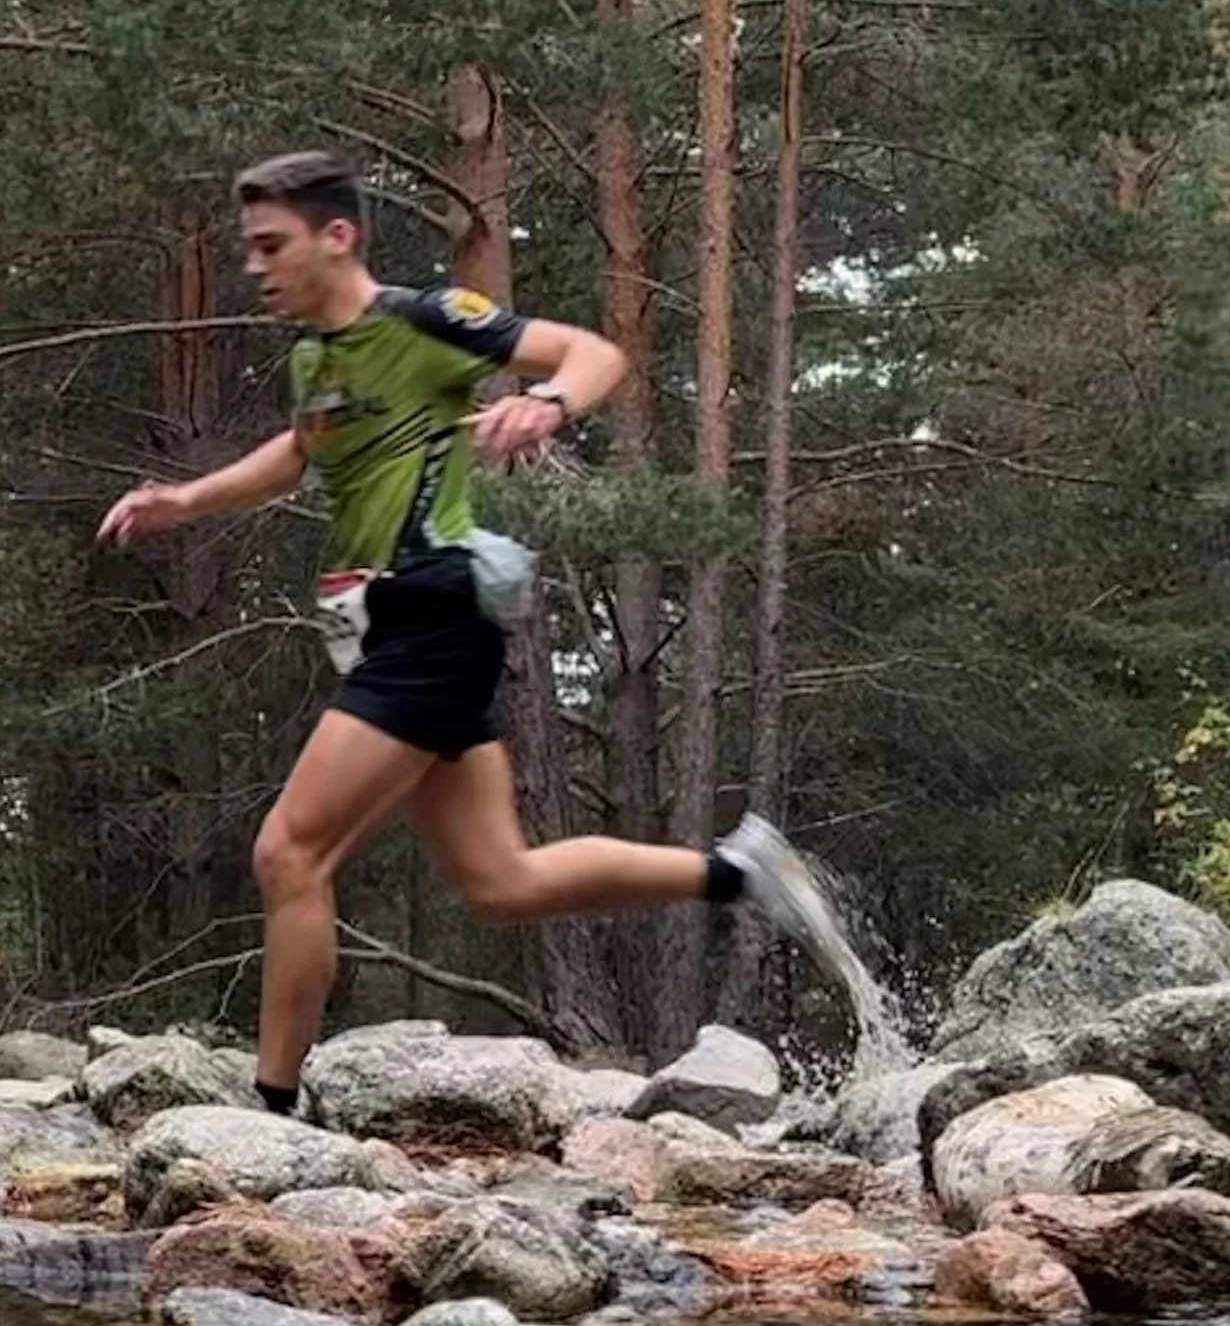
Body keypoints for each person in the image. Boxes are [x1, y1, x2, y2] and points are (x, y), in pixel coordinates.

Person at [97, 149, 829, 1112]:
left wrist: (547, 402)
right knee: (500, 878)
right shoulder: (318, 355)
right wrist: (187, 498)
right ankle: (735, 870)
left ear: (337, 236)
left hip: (429, 614)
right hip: (391, 631)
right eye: (249, 249)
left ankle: (273, 1110)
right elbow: (297, 455)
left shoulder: (425, 320)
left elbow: (594, 353)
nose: (254, 266)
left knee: (288, 854)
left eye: (271, 245)